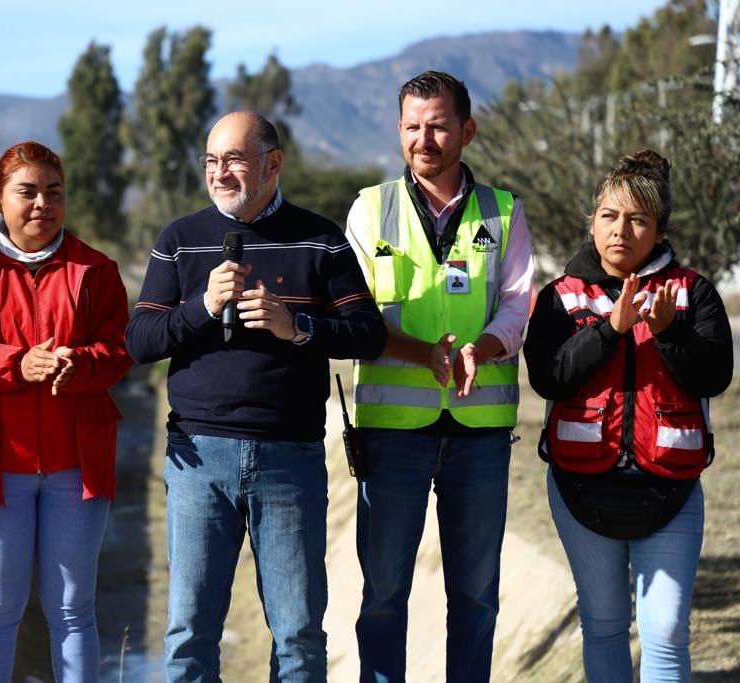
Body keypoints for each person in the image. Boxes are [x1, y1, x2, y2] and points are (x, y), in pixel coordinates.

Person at [125, 111, 386, 682]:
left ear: (272, 163)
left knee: (297, 634)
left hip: (289, 457)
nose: (220, 173)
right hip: (197, 457)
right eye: (211, 162)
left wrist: (298, 328)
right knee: (190, 633)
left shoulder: (320, 238)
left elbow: (369, 333)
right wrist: (201, 308)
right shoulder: (180, 241)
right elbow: (140, 341)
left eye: (234, 160)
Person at [344, 70, 535, 682]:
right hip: (391, 434)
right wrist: (416, 353)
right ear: (399, 130)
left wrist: (482, 345)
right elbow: (355, 314)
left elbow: (516, 302)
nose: (423, 138)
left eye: (438, 125)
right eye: (411, 126)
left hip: (479, 433)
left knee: (476, 597)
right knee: (382, 597)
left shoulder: (503, 211)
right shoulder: (369, 210)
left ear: (467, 130)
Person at [0, 140, 131, 682]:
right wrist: (18, 364)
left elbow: (118, 351)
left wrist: (77, 363)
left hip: (75, 467)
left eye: (54, 192)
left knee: (72, 611)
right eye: (27, 191)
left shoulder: (95, 270)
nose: (42, 203)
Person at [524, 150, 733, 681]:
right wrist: (610, 329)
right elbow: (548, 376)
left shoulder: (694, 294)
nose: (622, 230)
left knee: (665, 634)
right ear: (592, 222)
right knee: (604, 625)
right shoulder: (560, 297)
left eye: (638, 219)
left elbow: (713, 377)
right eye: (610, 216)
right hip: (580, 488)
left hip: (672, 487)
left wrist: (668, 332)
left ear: (659, 229)